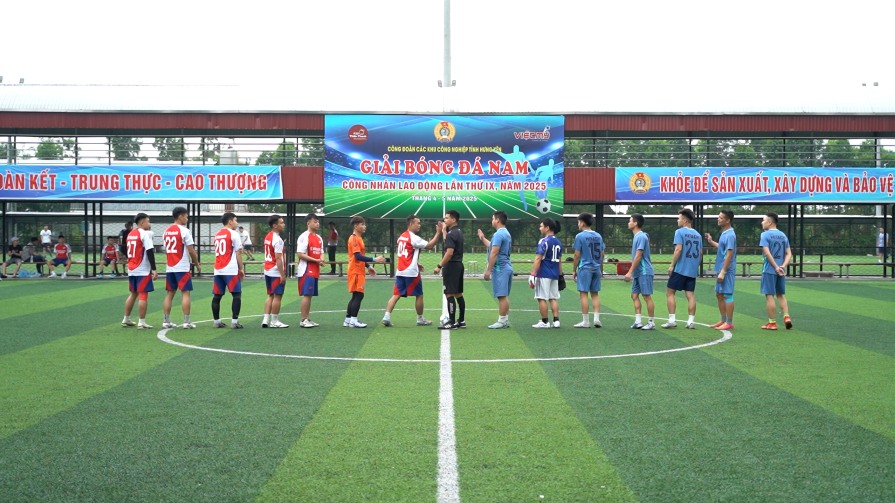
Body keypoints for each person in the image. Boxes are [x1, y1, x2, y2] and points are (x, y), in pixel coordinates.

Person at [382, 215, 443, 327]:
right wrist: (438, 232)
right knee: (419, 295)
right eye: (417, 223)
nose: (419, 225)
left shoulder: (401, 236)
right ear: (410, 224)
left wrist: (416, 263)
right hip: (411, 272)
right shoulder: (413, 237)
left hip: (400, 270)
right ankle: (420, 319)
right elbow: (430, 246)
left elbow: (406, 253)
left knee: (396, 294)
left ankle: (386, 316)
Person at [162, 207, 201, 329]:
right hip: (182, 267)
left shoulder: (166, 231)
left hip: (170, 267)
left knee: (169, 293)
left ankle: (166, 321)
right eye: (186, 216)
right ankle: (186, 322)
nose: (187, 218)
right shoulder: (184, 231)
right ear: (180, 216)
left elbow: (166, 250)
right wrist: (197, 263)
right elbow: (191, 250)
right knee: (185, 293)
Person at [344, 215, 386, 328]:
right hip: (355, 271)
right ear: (356, 226)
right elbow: (357, 256)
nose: (364, 226)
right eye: (362, 224)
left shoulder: (358, 238)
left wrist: (368, 266)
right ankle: (354, 320)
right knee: (359, 295)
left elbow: (360, 256)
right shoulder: (354, 239)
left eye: (364, 224)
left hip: (358, 270)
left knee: (355, 295)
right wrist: (374, 260)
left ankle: (348, 319)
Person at [664, 208, 702, 329]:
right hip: (692, 270)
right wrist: (694, 266)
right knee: (690, 295)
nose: (677, 220)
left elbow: (678, 249)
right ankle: (691, 322)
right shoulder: (698, 235)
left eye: (679, 218)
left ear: (685, 220)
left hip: (680, 269)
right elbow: (700, 253)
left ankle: (672, 320)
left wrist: (671, 265)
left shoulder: (679, 232)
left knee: (670, 293)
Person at [122, 213, 158, 329]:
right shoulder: (144, 234)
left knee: (133, 293)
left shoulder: (131, 234)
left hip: (132, 268)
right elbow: (149, 251)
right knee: (143, 295)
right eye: (148, 221)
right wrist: (154, 269)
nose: (149, 224)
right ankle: (141, 322)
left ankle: (126, 319)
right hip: (142, 269)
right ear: (142, 222)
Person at [478, 210, 513, 329]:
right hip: (506, 267)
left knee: (501, 295)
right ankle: (504, 320)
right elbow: (492, 246)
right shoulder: (505, 233)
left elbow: (494, 252)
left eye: (493, 218)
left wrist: (488, 270)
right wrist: (483, 238)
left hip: (500, 268)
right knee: (503, 295)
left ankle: (502, 321)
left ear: (497, 220)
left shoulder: (499, 234)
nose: (492, 221)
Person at [760, 212, 794, 330]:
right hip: (781, 270)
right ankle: (786, 316)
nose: (762, 222)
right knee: (781, 294)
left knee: (769, 295)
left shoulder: (765, 235)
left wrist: (775, 266)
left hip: (770, 269)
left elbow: (767, 252)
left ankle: (772, 323)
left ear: (769, 222)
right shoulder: (783, 235)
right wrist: (783, 266)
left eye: (763, 220)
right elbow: (789, 253)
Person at [704, 210, 737, 331]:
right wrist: (711, 241)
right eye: (718, 217)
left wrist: (723, 271)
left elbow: (729, 254)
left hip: (726, 270)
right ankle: (723, 320)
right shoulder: (724, 233)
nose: (718, 219)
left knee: (727, 294)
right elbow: (722, 247)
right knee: (719, 294)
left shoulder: (730, 234)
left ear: (728, 220)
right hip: (721, 269)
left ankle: (729, 322)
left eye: (721, 218)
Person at [212, 212, 245, 329]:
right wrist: (241, 268)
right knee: (236, 295)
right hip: (230, 269)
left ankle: (216, 321)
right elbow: (238, 253)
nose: (237, 223)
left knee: (217, 296)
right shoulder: (234, 234)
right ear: (230, 221)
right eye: (235, 220)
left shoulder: (217, 234)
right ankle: (235, 322)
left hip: (218, 269)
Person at [623, 214, 656, 330]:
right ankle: (638, 321)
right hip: (638, 272)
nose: (628, 223)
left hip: (644, 271)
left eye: (630, 221)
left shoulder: (641, 236)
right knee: (634, 295)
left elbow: (638, 256)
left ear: (635, 223)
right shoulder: (637, 236)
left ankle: (651, 322)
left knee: (646, 296)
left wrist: (629, 272)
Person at [572, 213, 605, 328]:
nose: (578, 224)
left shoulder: (580, 236)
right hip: (596, 268)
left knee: (583, 294)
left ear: (582, 222)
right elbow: (602, 253)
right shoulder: (598, 236)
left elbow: (577, 255)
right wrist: (600, 268)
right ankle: (596, 319)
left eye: (578, 222)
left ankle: (585, 321)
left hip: (585, 268)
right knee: (595, 294)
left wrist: (574, 270)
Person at [434, 209, 466, 329]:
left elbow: (449, 252)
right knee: (458, 293)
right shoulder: (458, 232)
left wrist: (439, 266)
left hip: (451, 266)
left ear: (453, 219)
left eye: (447, 218)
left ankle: (451, 322)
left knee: (449, 293)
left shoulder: (452, 233)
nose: (444, 220)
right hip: (458, 265)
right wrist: (443, 231)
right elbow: (449, 243)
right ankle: (461, 320)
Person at [529, 217, 562, 328]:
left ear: (547, 228)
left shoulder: (544, 241)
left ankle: (544, 322)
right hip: (555, 274)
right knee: (553, 297)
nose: (540, 228)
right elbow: (560, 261)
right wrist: (561, 275)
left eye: (541, 226)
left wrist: (532, 274)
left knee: (541, 297)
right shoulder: (558, 242)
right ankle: (556, 321)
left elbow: (538, 259)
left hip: (544, 273)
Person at [296, 213, 326, 328]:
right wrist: (316, 260)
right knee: (307, 294)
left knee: (310, 295)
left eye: (318, 222)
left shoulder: (319, 238)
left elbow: (321, 251)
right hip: (306, 269)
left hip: (315, 269)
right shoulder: (304, 236)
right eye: (315, 221)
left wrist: (321, 259)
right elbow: (300, 254)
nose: (317, 224)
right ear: (308, 223)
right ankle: (303, 320)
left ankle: (307, 318)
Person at [261, 214, 289, 328]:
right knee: (278, 296)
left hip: (267, 269)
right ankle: (274, 321)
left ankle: (265, 319)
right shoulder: (278, 240)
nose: (283, 224)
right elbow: (278, 258)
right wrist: (282, 275)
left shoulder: (268, 236)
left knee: (270, 295)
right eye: (281, 223)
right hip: (275, 271)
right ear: (275, 225)